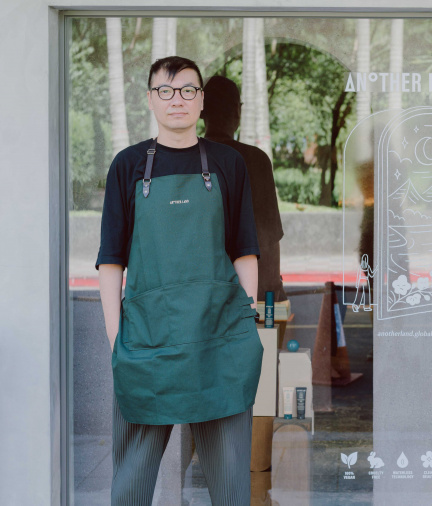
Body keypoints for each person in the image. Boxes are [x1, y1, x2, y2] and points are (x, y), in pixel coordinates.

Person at [97, 56, 263, 505]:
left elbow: (245, 251)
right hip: (148, 345)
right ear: (151, 99)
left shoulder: (228, 164)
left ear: (202, 100)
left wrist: (244, 324)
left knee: (231, 484)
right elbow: (111, 262)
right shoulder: (128, 165)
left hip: (218, 343)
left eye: (188, 90)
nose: (177, 100)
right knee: (131, 482)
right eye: (166, 91)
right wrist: (117, 342)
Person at [202, 75, 286, 302]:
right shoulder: (255, 161)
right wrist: (272, 294)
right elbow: (268, 238)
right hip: (247, 297)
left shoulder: (186, 160)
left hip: (201, 297)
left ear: (201, 111)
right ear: (238, 112)